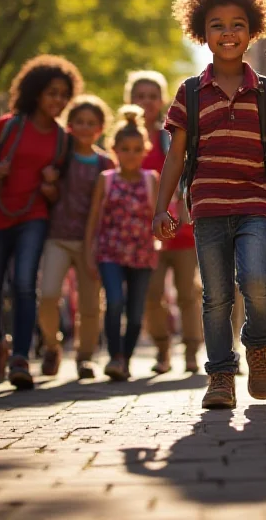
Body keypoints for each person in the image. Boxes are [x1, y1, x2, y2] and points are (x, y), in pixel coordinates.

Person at [152, 0, 266, 410]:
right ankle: (220, 377)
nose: (228, 32)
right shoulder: (191, 92)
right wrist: (163, 207)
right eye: (217, 25)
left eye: (237, 24)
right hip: (207, 208)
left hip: (255, 204)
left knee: (255, 279)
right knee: (215, 297)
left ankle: (258, 345)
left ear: (253, 31)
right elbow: (175, 155)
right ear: (202, 33)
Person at [0, 55, 83, 389]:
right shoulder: (8, 125)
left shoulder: (64, 138)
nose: (58, 100)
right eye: (52, 92)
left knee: (23, 285)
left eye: (64, 94)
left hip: (33, 217)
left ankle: (20, 358)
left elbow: (56, 193)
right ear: (35, 92)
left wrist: (50, 186)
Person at [126, 70, 203, 375]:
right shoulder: (123, 139)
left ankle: (192, 352)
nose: (146, 102)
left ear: (162, 100)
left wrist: (185, 207)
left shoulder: (170, 134)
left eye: (152, 96)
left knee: (188, 294)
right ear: (130, 100)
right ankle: (162, 350)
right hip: (142, 235)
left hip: (181, 229)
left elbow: (184, 172)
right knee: (152, 294)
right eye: (139, 96)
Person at [38, 95, 114, 380]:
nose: (84, 127)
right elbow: (50, 192)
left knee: (90, 305)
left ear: (100, 128)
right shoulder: (60, 158)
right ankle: (51, 345)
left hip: (90, 242)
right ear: (69, 125)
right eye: (79, 122)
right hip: (57, 236)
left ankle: (85, 357)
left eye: (91, 123)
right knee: (48, 296)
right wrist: (48, 185)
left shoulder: (105, 163)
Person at [84, 106, 159, 381]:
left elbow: (157, 217)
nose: (131, 154)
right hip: (110, 253)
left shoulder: (151, 180)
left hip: (142, 255)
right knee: (114, 302)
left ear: (145, 150)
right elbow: (94, 218)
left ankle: (125, 360)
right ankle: (114, 356)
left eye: (136, 148)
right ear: (114, 149)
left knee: (137, 313)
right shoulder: (106, 180)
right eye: (125, 148)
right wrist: (89, 252)